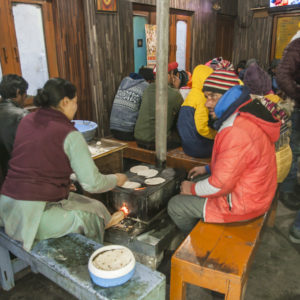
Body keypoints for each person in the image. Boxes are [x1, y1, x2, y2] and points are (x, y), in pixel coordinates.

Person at [0, 78, 127, 251]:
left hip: (8, 207)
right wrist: (117, 179)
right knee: (92, 218)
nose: (76, 107)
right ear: (65, 102)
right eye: (75, 102)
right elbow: (93, 183)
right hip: (30, 219)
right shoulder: (69, 134)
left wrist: (66, 178)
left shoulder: (28, 121)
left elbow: (38, 162)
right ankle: (90, 259)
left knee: (96, 206)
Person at [168, 70, 281, 234]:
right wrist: (207, 169)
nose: (207, 103)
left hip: (243, 203)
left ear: (230, 96)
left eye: (213, 96)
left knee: (176, 205)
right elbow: (235, 162)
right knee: (197, 177)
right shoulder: (244, 115)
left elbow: (218, 186)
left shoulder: (235, 130)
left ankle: (197, 238)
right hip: (256, 192)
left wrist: (191, 189)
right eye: (207, 97)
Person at [276, 27, 300, 243]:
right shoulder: (297, 44)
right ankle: (289, 188)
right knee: (294, 147)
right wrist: (298, 95)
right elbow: (282, 74)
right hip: (299, 107)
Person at [134, 62, 183, 150]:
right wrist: (176, 89)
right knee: (182, 136)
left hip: (139, 138)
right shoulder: (174, 94)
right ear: (168, 76)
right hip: (155, 143)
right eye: (173, 74)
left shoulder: (147, 89)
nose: (174, 77)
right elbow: (181, 115)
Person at [177, 65, 215, 158]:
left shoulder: (191, 95)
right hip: (198, 147)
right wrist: (215, 135)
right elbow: (202, 128)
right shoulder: (202, 98)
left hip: (187, 145)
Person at [110, 66, 154, 141]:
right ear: (149, 80)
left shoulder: (125, 81)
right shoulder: (146, 86)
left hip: (113, 128)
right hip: (128, 132)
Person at [0, 74, 29, 187]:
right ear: (18, 92)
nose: (25, 99)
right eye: (25, 94)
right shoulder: (22, 116)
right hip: (22, 182)